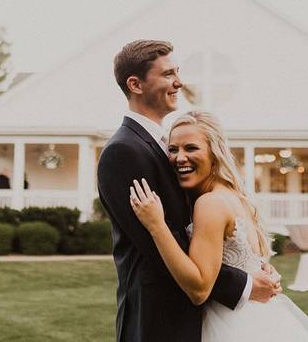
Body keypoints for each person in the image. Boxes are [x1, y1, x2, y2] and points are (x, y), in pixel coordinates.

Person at [96, 40, 280, 342]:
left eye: (177, 72)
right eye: (168, 74)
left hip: (196, 316)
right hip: (157, 320)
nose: (179, 82)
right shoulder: (123, 152)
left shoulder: (161, 145)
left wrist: (251, 266)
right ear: (135, 84)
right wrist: (244, 283)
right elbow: (157, 247)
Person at [130, 110, 308, 341]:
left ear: (214, 154)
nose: (179, 157)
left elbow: (199, 289)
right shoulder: (233, 195)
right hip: (260, 318)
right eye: (173, 149)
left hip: (231, 325)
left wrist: (156, 225)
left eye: (191, 148)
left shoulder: (209, 203)